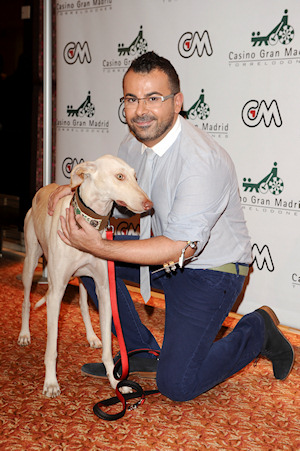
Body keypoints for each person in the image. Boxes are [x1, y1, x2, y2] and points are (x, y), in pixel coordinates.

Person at [49, 52, 294, 402]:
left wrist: (98, 246)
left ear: (177, 102)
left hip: (211, 270)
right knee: (89, 267)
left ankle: (259, 330)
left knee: (177, 385)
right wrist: (75, 196)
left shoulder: (201, 160)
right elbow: (117, 207)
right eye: (131, 99)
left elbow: (181, 247)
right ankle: (140, 352)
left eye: (154, 98)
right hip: (162, 260)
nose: (141, 110)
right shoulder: (129, 146)